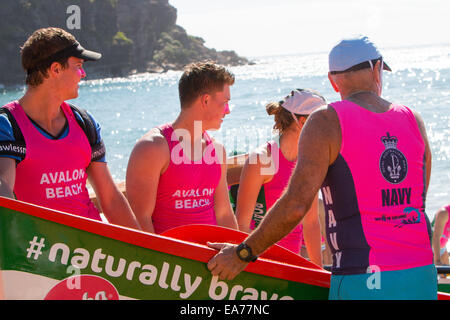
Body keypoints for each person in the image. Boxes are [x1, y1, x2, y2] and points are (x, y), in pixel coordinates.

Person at [207, 35, 437, 300]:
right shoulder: (412, 119)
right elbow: (418, 200)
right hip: (422, 274)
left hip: (363, 279)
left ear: (332, 80)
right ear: (377, 69)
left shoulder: (326, 120)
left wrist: (243, 253)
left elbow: (296, 204)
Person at [0, 27, 140, 230]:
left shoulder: (84, 122)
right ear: (55, 69)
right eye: (78, 66)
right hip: (40, 252)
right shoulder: (8, 125)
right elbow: (4, 192)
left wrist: (144, 252)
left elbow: (110, 198)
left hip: (94, 251)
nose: (82, 74)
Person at [126, 60, 238, 234]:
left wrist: (238, 257)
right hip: (170, 259)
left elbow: (224, 214)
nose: (228, 111)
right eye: (224, 102)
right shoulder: (153, 148)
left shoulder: (217, 150)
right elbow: (140, 220)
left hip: (213, 259)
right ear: (206, 100)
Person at [235, 89, 324, 266]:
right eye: (322, 121)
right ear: (302, 122)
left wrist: (319, 271)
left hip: (291, 263)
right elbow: (242, 225)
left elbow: (311, 223)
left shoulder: (311, 160)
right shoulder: (261, 160)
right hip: (259, 265)